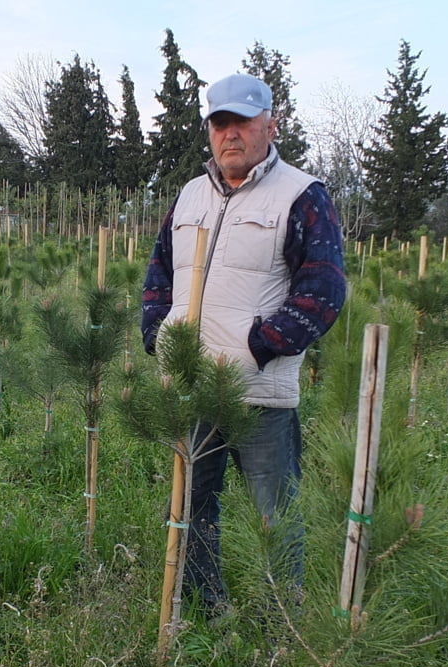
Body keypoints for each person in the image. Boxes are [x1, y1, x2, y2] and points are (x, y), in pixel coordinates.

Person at [140, 73, 346, 615]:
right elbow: (160, 270)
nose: (230, 134)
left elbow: (323, 289)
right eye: (220, 123)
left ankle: (283, 626)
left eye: (243, 123)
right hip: (193, 387)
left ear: (270, 126)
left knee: (272, 515)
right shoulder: (190, 195)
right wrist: (156, 332)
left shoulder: (302, 194)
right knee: (190, 508)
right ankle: (209, 609)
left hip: (261, 394)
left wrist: (260, 345)